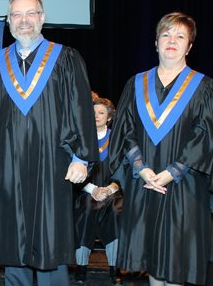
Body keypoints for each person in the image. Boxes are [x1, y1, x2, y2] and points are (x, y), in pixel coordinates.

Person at [0, 0, 99, 286]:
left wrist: (81, 157)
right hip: (8, 169)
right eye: (17, 15)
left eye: (30, 14)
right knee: (14, 245)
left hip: (53, 164)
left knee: (49, 244)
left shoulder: (65, 58)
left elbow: (81, 109)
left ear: (42, 17)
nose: (24, 21)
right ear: (8, 20)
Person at [109, 12, 213, 286]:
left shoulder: (203, 87)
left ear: (190, 46)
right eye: (166, 34)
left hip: (184, 186)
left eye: (180, 36)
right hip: (144, 183)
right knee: (152, 259)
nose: (172, 41)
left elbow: (205, 136)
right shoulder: (136, 84)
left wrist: (172, 172)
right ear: (155, 42)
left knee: (177, 262)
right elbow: (125, 131)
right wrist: (141, 168)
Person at [73, 97, 122, 285]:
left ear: (109, 118)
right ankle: (81, 267)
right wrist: (92, 189)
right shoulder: (81, 139)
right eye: (93, 112)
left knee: (116, 210)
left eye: (101, 112)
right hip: (84, 190)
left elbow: (122, 171)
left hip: (112, 190)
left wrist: (109, 190)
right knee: (86, 208)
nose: (96, 116)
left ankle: (114, 267)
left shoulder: (117, 140)